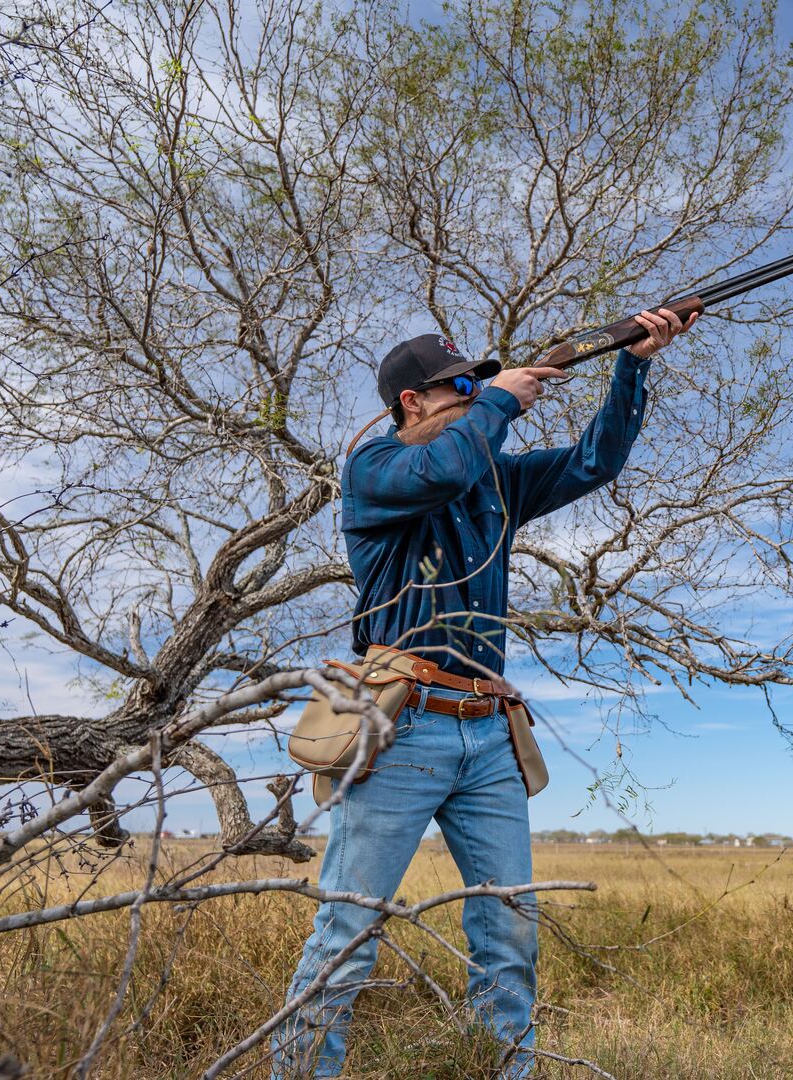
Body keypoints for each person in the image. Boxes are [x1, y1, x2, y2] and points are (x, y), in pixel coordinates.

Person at [271, 307, 695, 1078]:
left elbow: (597, 462)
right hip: (402, 725)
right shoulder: (374, 470)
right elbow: (445, 470)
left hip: (487, 730)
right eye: (460, 384)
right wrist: (501, 398)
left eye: (479, 381)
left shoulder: (490, 472)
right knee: (348, 931)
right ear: (414, 401)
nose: (476, 392)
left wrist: (632, 362)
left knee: (509, 930)